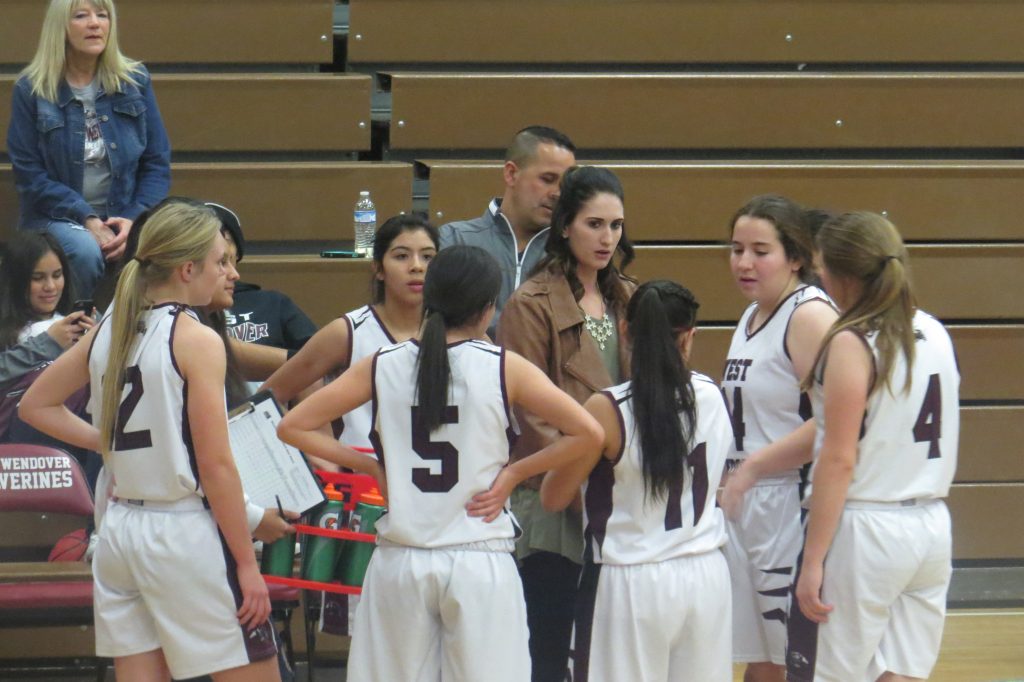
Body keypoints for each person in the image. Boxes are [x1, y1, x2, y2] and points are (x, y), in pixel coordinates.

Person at [277, 245, 603, 682]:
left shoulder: (381, 364)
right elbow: (589, 434)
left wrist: (371, 468)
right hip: (478, 560)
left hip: (401, 562)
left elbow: (292, 426)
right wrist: (514, 474)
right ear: (489, 307)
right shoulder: (505, 367)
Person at [19, 202, 280, 682]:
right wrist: (247, 563)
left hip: (119, 533)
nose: (232, 272)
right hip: (183, 533)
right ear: (187, 269)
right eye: (221, 261)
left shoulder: (110, 331)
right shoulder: (197, 339)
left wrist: (112, 445)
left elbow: (34, 405)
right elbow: (215, 467)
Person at [724, 212, 959, 682]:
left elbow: (837, 455)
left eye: (822, 267)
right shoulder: (933, 329)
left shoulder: (854, 342)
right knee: (902, 674)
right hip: (932, 527)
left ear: (841, 273)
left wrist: (811, 561)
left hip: (868, 530)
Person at [540, 280, 734, 682]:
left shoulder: (607, 408)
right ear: (690, 337)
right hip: (706, 577)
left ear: (625, 331)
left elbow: (553, 497)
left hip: (630, 581)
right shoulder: (712, 395)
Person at [497, 165, 636, 681]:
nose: (607, 238)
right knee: (548, 649)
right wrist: (581, 476)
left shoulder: (629, 296)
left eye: (616, 226)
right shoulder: (529, 303)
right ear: (565, 226)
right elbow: (530, 416)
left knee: (611, 649)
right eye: (594, 224)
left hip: (621, 496)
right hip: (554, 495)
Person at [718, 195, 838, 682]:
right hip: (749, 505)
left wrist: (753, 468)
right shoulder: (750, 316)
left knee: (798, 659)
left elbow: (837, 421)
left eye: (760, 251)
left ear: (796, 257)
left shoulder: (809, 315)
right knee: (761, 659)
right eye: (736, 248)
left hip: (791, 501)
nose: (744, 262)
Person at [7, 0, 171, 298]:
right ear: (61, 28)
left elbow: (157, 163)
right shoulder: (32, 89)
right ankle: (78, 332)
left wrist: (133, 219)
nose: (95, 23)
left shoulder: (134, 81)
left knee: (180, 243)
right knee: (84, 251)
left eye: (102, 15)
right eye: (81, 16)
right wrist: (87, 218)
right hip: (55, 218)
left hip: (125, 213)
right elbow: (30, 176)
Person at [262, 214, 438, 450]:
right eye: (402, 256)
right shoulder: (347, 332)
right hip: (365, 478)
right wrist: (317, 456)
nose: (417, 266)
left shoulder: (457, 328)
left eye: (428, 257)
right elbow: (267, 398)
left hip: (442, 480)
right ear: (378, 269)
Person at [439, 125, 576, 337]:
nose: (557, 194)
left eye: (565, 185)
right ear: (511, 174)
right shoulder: (454, 239)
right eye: (547, 179)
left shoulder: (572, 250)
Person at [203, 202, 316, 352]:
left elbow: (322, 358)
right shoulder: (175, 315)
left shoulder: (273, 303)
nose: (220, 242)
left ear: (237, 253)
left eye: (225, 237)